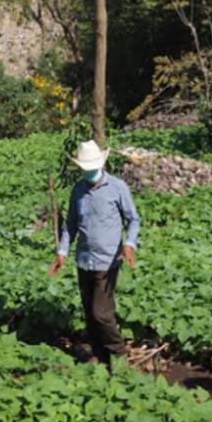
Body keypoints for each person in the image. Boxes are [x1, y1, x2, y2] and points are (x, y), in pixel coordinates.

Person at [48, 140, 141, 366]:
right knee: (89, 311)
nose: (88, 171)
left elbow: (134, 219)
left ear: (100, 164)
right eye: (85, 168)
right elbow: (70, 225)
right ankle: (99, 355)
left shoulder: (117, 188)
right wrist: (62, 253)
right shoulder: (78, 190)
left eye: (91, 167)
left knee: (102, 313)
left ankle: (119, 355)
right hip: (84, 260)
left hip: (108, 260)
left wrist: (129, 244)